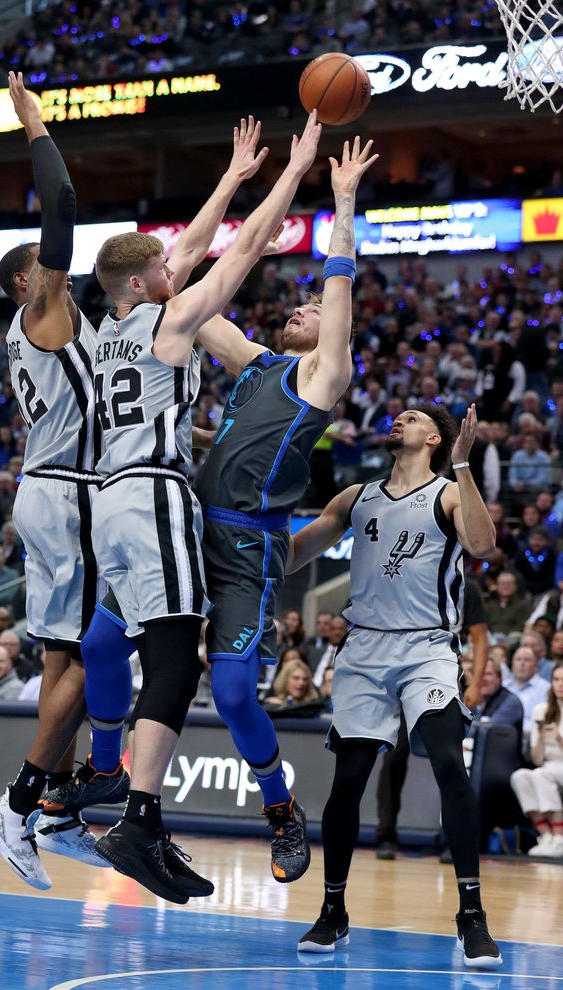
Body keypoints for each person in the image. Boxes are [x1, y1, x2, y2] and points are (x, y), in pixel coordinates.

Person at [41, 111, 323, 904]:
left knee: (107, 644)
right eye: (162, 266)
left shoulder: (106, 328)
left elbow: (194, 250)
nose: (176, 264)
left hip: (120, 507)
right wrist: (292, 175)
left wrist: (235, 178)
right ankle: (137, 808)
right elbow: (223, 258)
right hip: (165, 501)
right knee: (173, 661)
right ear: (144, 283)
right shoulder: (182, 325)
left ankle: (104, 769)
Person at [192, 135, 378, 884]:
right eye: (296, 303)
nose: (300, 307)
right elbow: (188, 306)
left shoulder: (322, 377)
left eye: (308, 306)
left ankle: (280, 808)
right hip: (188, 528)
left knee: (234, 691)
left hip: (247, 546)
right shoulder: (257, 365)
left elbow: (337, 294)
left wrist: (341, 201)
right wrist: (243, 253)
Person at [288, 404, 502, 969]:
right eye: (397, 416)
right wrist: (245, 526)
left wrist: (463, 467)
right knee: (349, 781)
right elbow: (291, 556)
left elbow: (482, 545)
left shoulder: (448, 493)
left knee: (449, 765)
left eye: (411, 417)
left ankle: (471, 914)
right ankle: (333, 911)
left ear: (434, 437)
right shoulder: (357, 497)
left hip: (427, 648)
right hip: (364, 649)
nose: (397, 420)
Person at [0, 72, 115, 889]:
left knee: (69, 660)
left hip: (56, 489)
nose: (60, 269)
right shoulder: (45, 309)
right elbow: (60, 207)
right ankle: (22, 804)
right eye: (47, 266)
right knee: (89, 655)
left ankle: (50, 806)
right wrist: (34, 125)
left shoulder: (57, 330)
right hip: (69, 493)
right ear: (29, 282)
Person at [375, 579, 489, 862]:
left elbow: (480, 638)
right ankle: (386, 836)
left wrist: (475, 683)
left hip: (445, 674)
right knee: (392, 759)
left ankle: (456, 840)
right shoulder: (408, 576)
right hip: (403, 675)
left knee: (449, 761)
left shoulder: (466, 588)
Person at [510, 663, 563, 857]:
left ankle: (559, 835)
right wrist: (541, 737)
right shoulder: (541, 710)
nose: (560, 684)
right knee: (520, 776)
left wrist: (558, 738)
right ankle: (546, 835)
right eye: (556, 679)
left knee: (542, 775)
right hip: (548, 766)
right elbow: (536, 759)